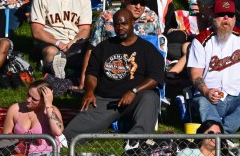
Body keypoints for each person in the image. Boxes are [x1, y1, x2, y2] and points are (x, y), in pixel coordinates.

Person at [63, 8, 164, 139]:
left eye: (124, 24)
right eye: (116, 24)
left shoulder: (147, 49)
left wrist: (134, 91)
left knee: (150, 96)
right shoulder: (103, 47)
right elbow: (91, 73)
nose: (120, 27)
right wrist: (89, 91)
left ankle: (137, 142)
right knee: (68, 136)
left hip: (135, 99)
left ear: (133, 23)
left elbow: (155, 77)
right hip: (105, 100)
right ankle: (59, 147)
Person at [188, 0, 240, 134]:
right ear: (213, 17)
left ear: (235, 18)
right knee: (202, 101)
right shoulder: (200, 40)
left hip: (238, 95)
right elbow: (195, 74)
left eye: (230, 15)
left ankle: (221, 133)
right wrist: (206, 91)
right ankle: (219, 135)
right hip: (210, 97)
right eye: (221, 14)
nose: (226, 18)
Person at [30, 0, 92, 79]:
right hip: (50, 43)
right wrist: (58, 43)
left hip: (74, 43)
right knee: (52, 52)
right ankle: (58, 70)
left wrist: (73, 42)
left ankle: (53, 67)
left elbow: (85, 29)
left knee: (92, 51)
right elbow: (37, 31)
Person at [2, 80, 65, 156]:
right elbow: (5, 137)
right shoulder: (15, 109)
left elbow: (58, 131)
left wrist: (49, 105)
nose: (28, 100)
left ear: (43, 100)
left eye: (34, 99)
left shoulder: (51, 110)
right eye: (28, 95)